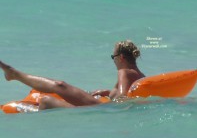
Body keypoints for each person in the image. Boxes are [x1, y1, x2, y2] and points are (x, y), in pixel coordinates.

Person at [0, 40, 145, 110]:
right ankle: (15, 76)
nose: (113, 61)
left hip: (100, 108)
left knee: (60, 86)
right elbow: (125, 92)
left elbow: (122, 99)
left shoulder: (124, 72)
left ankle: (14, 74)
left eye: (113, 57)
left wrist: (110, 100)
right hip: (101, 106)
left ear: (121, 58)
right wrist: (107, 92)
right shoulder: (138, 74)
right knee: (46, 101)